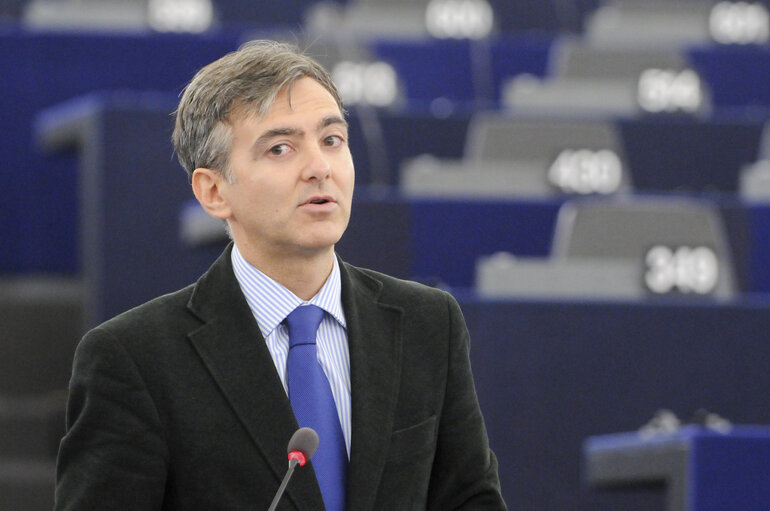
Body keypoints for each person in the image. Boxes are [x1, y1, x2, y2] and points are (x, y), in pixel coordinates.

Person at [55, 40, 506, 510]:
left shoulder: (427, 323)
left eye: (332, 140)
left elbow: (469, 499)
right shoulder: (135, 359)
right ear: (213, 192)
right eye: (281, 148)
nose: (319, 168)